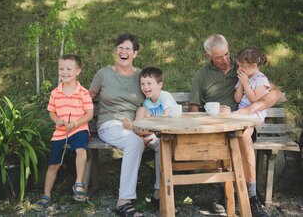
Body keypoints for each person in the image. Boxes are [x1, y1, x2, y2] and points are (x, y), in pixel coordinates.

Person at [189, 34, 283, 217]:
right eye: (219, 57)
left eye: (227, 54)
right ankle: (229, 190)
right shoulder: (201, 75)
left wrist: (250, 109)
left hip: (242, 123)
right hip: (216, 126)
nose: (226, 60)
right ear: (208, 56)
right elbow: (193, 109)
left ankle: (252, 197)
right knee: (198, 149)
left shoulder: (243, 66)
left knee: (244, 136)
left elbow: (276, 93)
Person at [89, 33, 145, 217]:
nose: (123, 51)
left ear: (135, 53)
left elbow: (153, 98)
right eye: (120, 48)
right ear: (115, 51)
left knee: (162, 143)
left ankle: (160, 194)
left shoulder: (140, 76)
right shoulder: (104, 74)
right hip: (110, 124)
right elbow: (87, 98)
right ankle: (124, 201)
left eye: (128, 48)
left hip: (135, 126)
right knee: (134, 142)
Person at [34, 54, 94, 211]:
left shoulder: (83, 92)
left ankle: (79, 183)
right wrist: (56, 120)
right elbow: (52, 112)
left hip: (79, 128)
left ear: (78, 71)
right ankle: (46, 195)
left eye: (69, 69)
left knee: (81, 150)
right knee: (53, 163)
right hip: (60, 132)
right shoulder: (55, 92)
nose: (64, 72)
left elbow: (89, 114)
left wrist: (75, 123)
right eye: (61, 68)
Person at [123, 66, 178, 208]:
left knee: (162, 145)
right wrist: (141, 131)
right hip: (153, 136)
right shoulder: (146, 103)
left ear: (160, 85)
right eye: (142, 84)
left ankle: (159, 191)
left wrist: (146, 131)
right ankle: (160, 192)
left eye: (149, 84)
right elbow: (143, 124)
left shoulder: (165, 97)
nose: (145, 87)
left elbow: (169, 120)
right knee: (142, 111)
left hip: (171, 136)